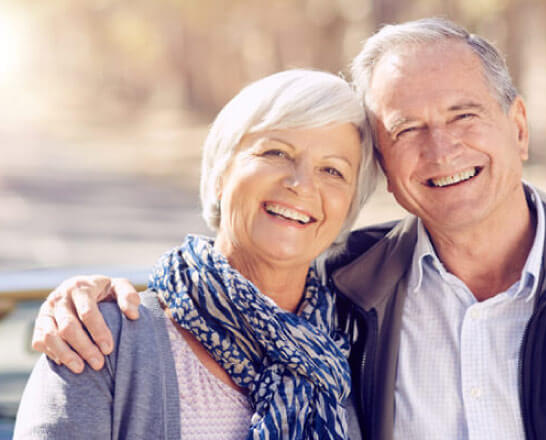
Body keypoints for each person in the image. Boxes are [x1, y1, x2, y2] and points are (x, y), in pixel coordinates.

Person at [30, 18, 546, 440]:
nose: (441, 149)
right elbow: (222, 284)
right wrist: (84, 301)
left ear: (521, 126)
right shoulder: (347, 298)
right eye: (406, 128)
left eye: (464, 114)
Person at [15, 69, 379, 439]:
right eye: (276, 152)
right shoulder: (96, 339)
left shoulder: (352, 355)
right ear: (221, 174)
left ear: (349, 208)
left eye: (332, 170)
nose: (301, 184)